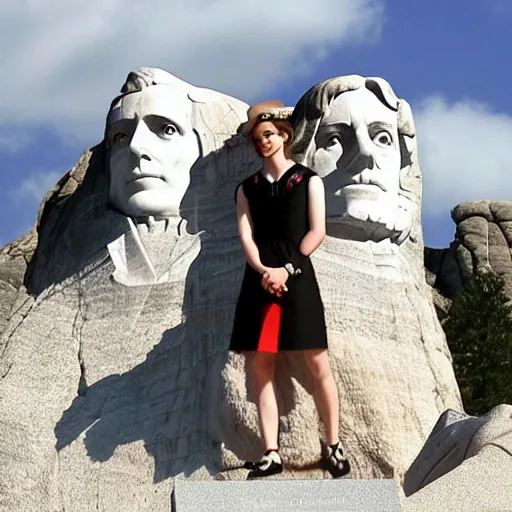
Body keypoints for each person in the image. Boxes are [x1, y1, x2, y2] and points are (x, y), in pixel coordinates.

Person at [230, 100, 351, 479]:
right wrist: (264, 270)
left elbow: (317, 231)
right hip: (260, 283)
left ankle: (333, 443)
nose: (262, 143)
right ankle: (271, 451)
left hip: (297, 280)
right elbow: (246, 236)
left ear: (283, 134)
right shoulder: (247, 188)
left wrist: (287, 269)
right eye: (256, 139)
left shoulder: (308, 180)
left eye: (267, 135)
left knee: (318, 364)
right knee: (260, 367)